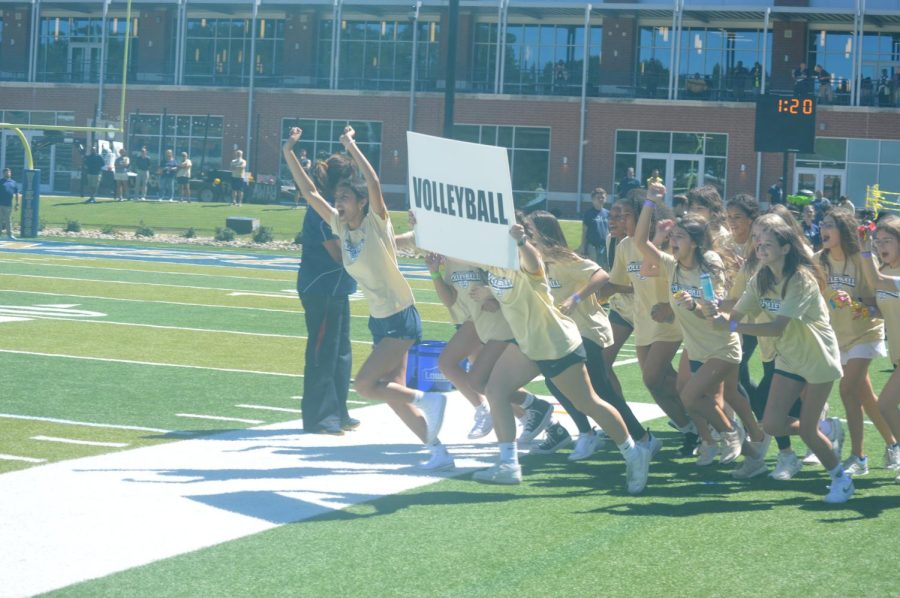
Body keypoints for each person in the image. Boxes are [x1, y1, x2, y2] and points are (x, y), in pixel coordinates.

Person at [284, 125, 452, 470]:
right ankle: (438, 450)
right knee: (392, 394)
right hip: (381, 320)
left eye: (345, 198)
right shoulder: (340, 226)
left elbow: (374, 183)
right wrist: (288, 151)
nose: (338, 203)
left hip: (400, 317)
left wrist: (352, 146)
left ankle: (430, 401)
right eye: (338, 198)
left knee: (365, 384)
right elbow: (309, 191)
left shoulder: (377, 223)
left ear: (362, 203)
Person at [467, 217, 651, 491]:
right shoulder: (495, 264)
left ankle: (634, 453)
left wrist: (521, 242)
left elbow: (531, 261)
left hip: (555, 342)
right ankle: (508, 464)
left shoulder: (532, 260)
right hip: (528, 343)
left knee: (588, 402)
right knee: (495, 390)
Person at [714, 214, 853, 503]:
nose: (760, 249)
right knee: (772, 424)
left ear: (786, 248)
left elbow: (776, 327)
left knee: (810, 432)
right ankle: (826, 430)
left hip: (818, 358)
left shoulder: (801, 278)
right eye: (758, 244)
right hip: (789, 357)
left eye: (767, 244)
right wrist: (713, 314)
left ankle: (841, 479)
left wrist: (731, 325)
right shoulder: (760, 278)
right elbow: (735, 314)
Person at [638, 184, 767, 474]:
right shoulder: (673, 266)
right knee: (697, 397)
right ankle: (751, 455)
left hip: (721, 345)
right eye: (672, 237)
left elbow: (714, 308)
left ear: (695, 242)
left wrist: (693, 306)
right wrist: (650, 202)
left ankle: (731, 432)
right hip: (696, 346)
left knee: (689, 397)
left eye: (679, 237)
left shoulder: (709, 262)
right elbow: (641, 243)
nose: (672, 241)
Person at [528, 210, 659, 461]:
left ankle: (644, 439)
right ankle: (587, 434)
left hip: (588, 330)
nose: (527, 233)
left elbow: (602, 275)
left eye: (530, 229)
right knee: (554, 382)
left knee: (601, 389)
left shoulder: (565, 259)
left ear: (543, 232)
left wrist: (575, 298)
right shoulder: (535, 262)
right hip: (561, 334)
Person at [815, 208, 895, 475]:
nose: (823, 229)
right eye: (822, 224)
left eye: (830, 225)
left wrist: (858, 304)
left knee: (847, 391)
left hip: (866, 333)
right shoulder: (819, 261)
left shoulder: (861, 259)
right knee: (866, 396)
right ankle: (893, 445)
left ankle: (858, 458)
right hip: (837, 336)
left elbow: (878, 300)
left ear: (843, 231)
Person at [295, 150, 359, 435]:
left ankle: (338, 411)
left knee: (341, 352)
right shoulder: (320, 212)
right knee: (323, 353)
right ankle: (319, 418)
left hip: (338, 289)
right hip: (319, 288)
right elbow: (337, 255)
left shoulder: (338, 210)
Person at [858, 215, 900, 477]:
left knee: (884, 405)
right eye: (878, 241)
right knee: (886, 405)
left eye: (888, 240)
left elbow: (876, 283)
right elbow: (887, 310)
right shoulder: (887, 272)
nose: (881, 246)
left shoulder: (886, 277)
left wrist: (863, 252)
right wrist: (865, 310)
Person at [577, 187, 610, 270]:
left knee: (605, 269)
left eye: (603, 197)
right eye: (598, 197)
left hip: (605, 247)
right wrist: (584, 247)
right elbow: (585, 231)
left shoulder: (608, 213)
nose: (601, 199)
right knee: (594, 269)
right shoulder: (588, 213)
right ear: (593, 199)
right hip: (592, 247)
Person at [0, 168, 19, 240]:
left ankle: (10, 235)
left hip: (8, 205)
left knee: (8, 220)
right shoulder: (0, 182)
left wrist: (17, 203)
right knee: (0, 220)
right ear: (3, 173)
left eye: (9, 172)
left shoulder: (13, 182)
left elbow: (17, 193)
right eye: (6, 172)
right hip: (0, 204)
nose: (8, 173)